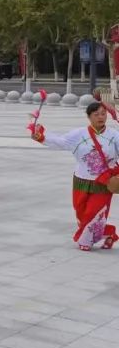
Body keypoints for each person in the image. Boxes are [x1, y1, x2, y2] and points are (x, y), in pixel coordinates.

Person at [32, 101, 119, 251]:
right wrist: (41, 137)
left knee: (93, 212)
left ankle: (85, 242)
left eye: (103, 114)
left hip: (103, 181)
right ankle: (109, 233)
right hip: (81, 180)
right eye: (96, 114)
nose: (101, 117)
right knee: (81, 213)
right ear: (89, 116)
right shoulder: (78, 134)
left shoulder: (114, 135)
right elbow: (61, 142)